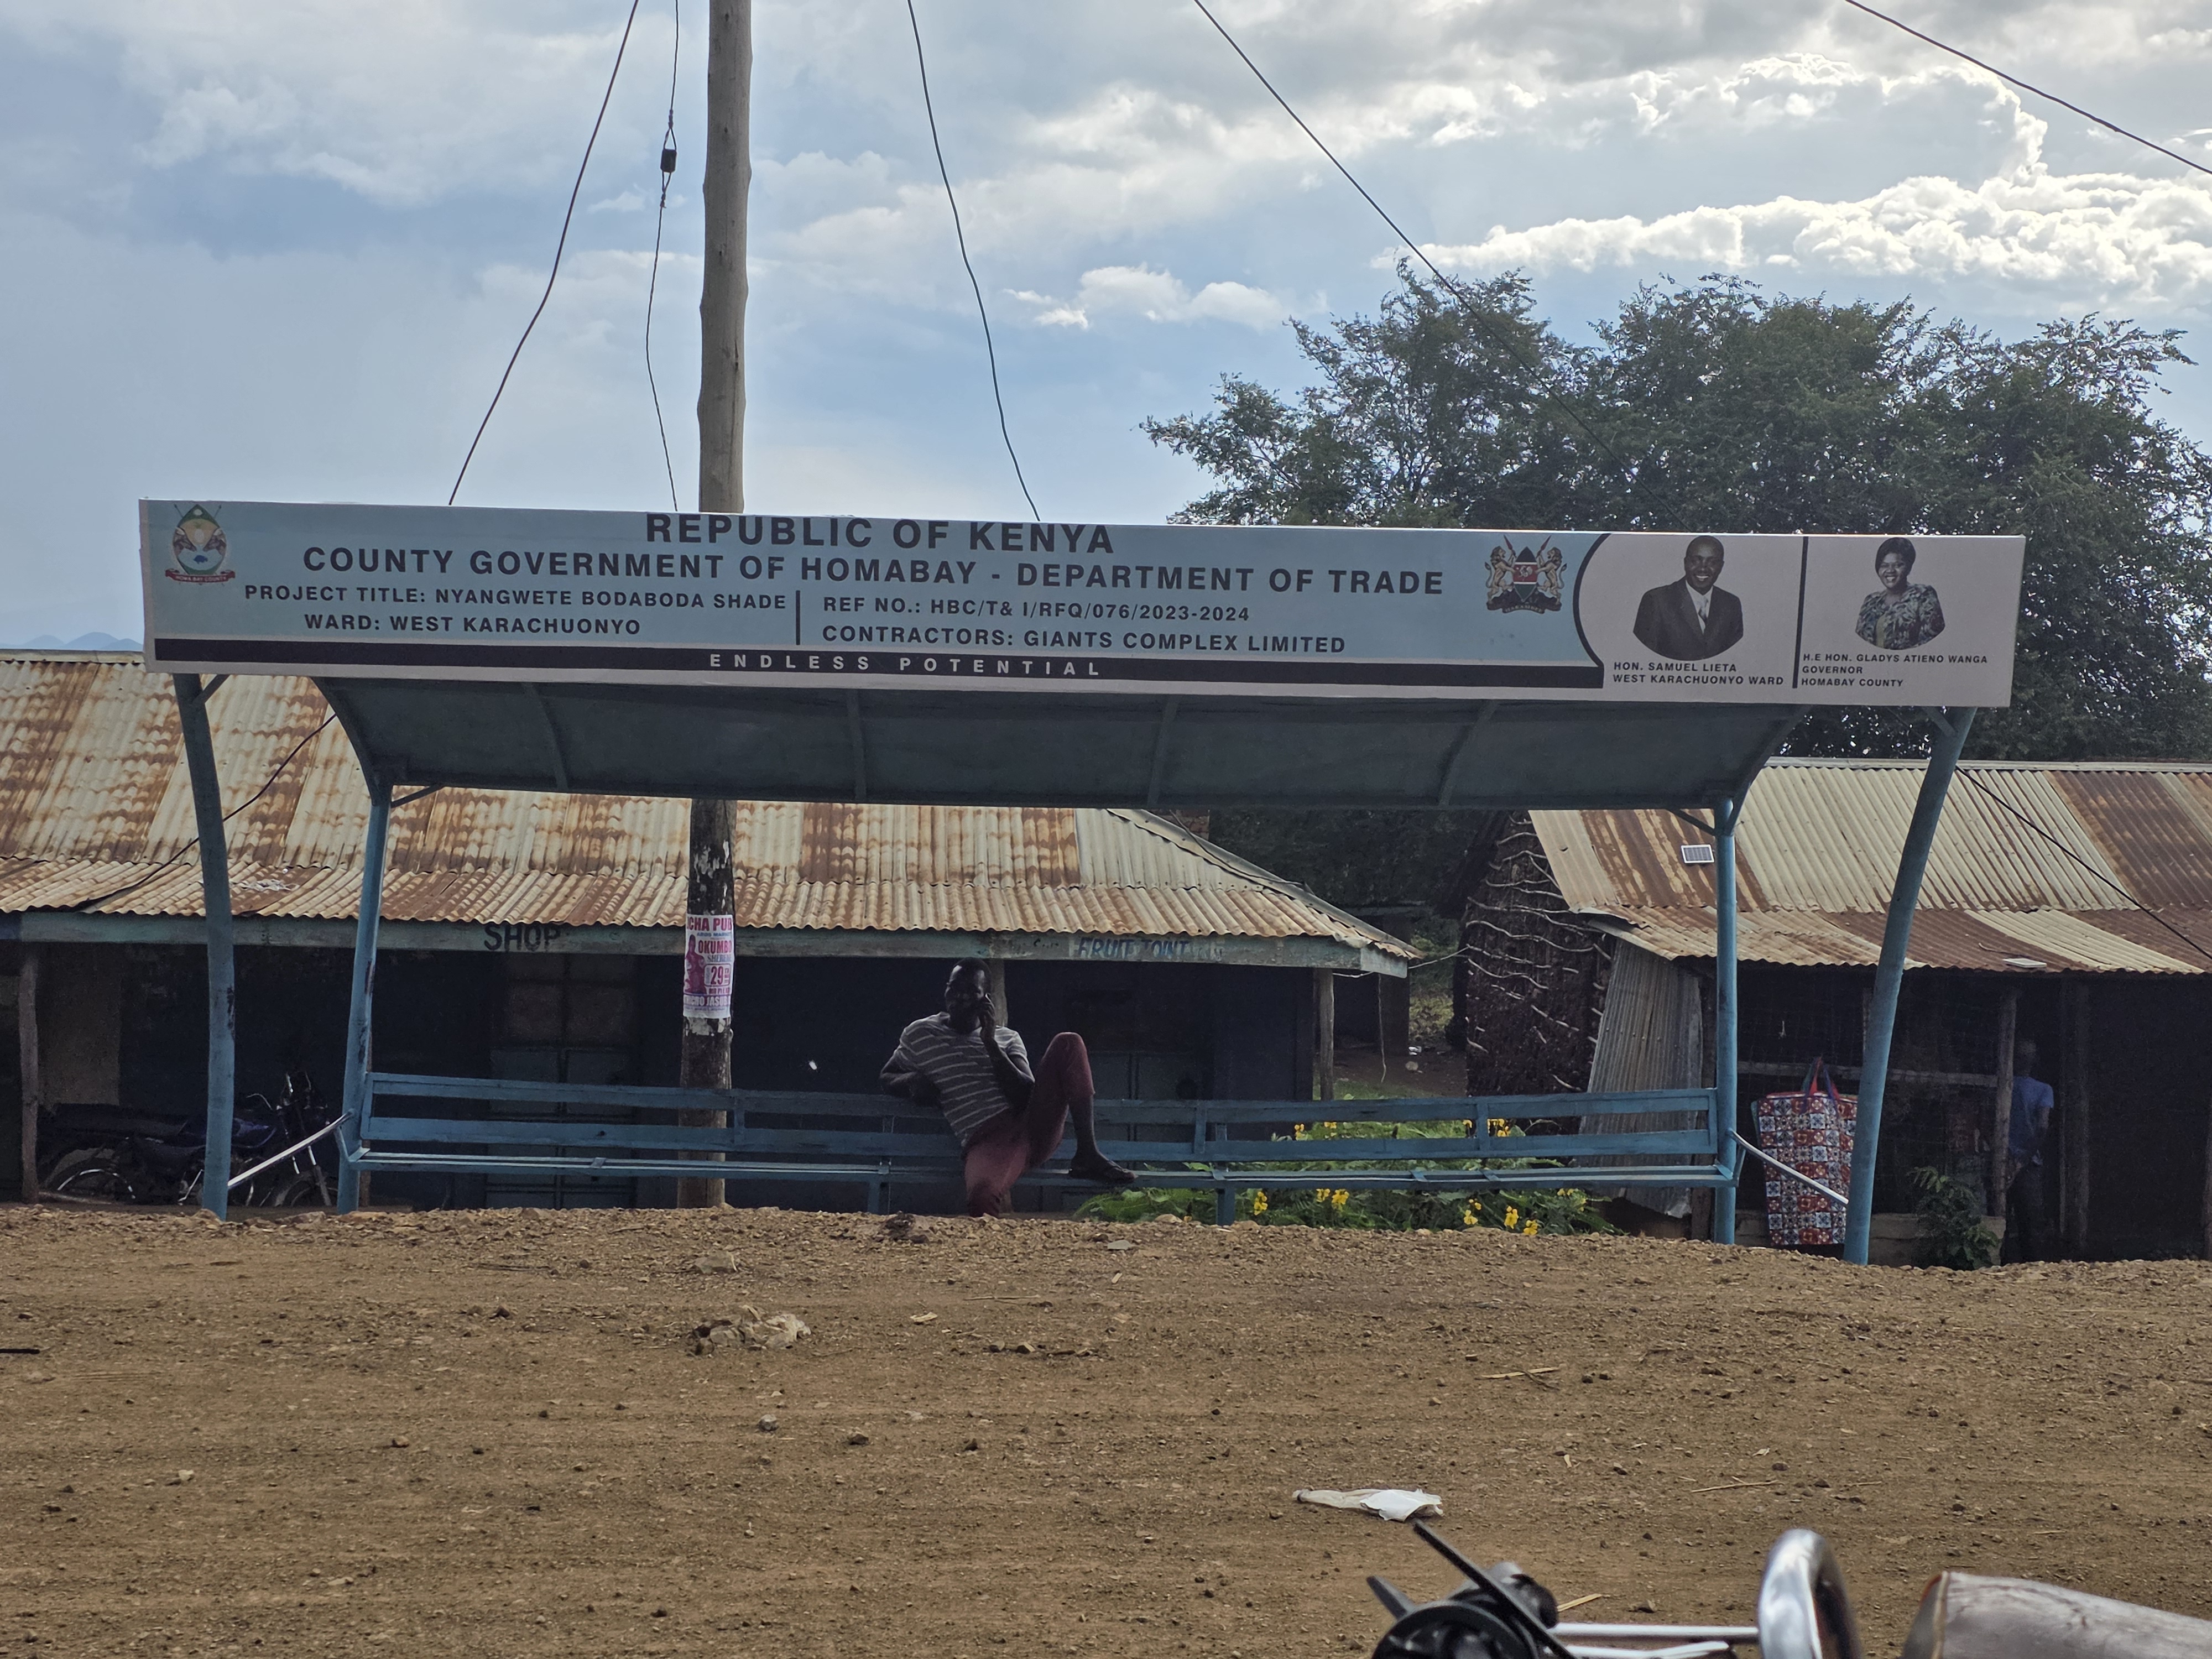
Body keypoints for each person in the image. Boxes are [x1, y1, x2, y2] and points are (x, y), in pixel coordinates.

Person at [882, 961, 1135, 1217]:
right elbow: (887, 1076)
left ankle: (1088, 1154)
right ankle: (992, 1244)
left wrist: (991, 1045)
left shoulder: (1007, 1038)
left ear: (986, 999)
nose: (960, 996)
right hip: (989, 1139)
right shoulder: (921, 1034)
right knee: (981, 1198)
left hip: (1034, 1124)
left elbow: (1025, 1095)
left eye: (971, 991)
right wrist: (911, 1081)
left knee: (1069, 1042)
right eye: (954, 988)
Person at [1631, 535, 1744, 661]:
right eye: (1696, 561)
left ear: (1721, 566)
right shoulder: (1657, 600)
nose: (1703, 568)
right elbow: (1642, 656)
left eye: (1712, 562)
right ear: (1686, 563)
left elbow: (1736, 656)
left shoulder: (1731, 604)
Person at [2002, 1040, 2054, 1263]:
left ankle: (2001, 1264)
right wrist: (2023, 1158)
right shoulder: (2044, 1090)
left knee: (2000, 1220)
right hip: (2028, 1163)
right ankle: (2032, 1267)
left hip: (2001, 1161)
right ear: (2035, 1061)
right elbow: (2042, 1127)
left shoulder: (2002, 1086)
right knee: (2031, 1224)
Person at [1854, 536, 1945, 650]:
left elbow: (1931, 641)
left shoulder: (1923, 595)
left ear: (1908, 568)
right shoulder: (1871, 601)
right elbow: (1859, 641)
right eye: (1884, 566)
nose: (1890, 571)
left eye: (1898, 565)